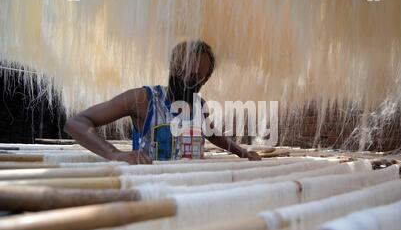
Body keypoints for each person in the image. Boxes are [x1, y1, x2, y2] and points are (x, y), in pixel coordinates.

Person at [64, 40, 261, 164]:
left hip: (194, 192)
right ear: (173, 68)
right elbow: (76, 123)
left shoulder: (199, 106)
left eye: (199, 77)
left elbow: (213, 135)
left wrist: (242, 152)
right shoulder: (143, 99)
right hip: (151, 191)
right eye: (187, 73)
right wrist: (115, 154)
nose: (192, 81)